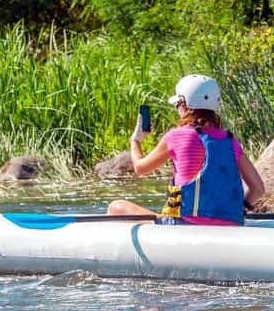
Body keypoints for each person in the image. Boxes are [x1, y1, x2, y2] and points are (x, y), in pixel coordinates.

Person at [108, 74, 265, 225]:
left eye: (177, 105)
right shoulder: (231, 141)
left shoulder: (176, 136)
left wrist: (135, 141)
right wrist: (240, 209)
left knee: (116, 207)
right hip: (232, 222)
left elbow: (140, 168)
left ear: (183, 104)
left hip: (183, 223)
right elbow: (258, 189)